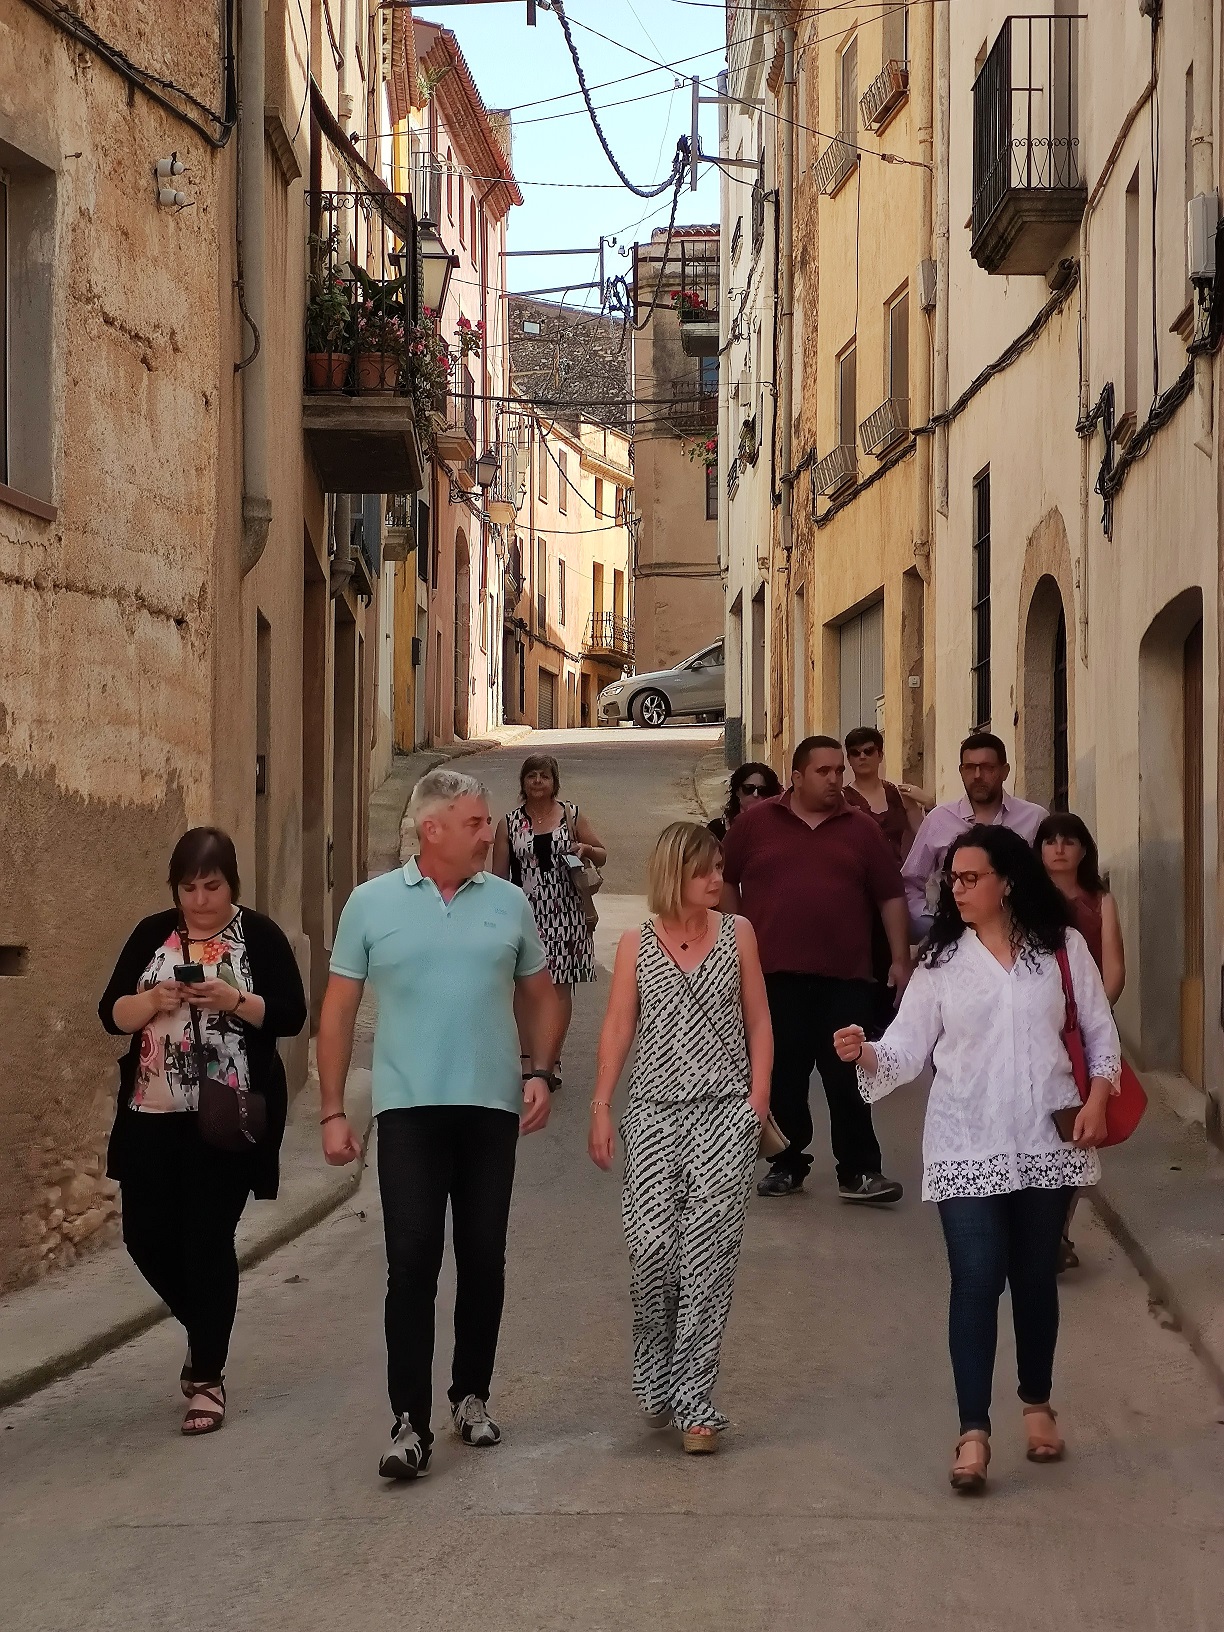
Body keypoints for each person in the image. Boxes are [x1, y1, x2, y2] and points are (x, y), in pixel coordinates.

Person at [833, 825, 1120, 1494]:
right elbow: (904, 1051)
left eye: (970, 879)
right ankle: (972, 1433)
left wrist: (1099, 1099)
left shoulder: (1062, 949)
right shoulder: (938, 966)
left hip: (1046, 1140)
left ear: (1006, 882)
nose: (956, 890)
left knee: (1034, 1279)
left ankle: (1038, 1403)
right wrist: (865, 1050)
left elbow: (1101, 1037)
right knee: (976, 1280)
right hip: (965, 1142)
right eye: (951, 881)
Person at [317, 768, 565, 1482]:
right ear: (433, 830)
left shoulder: (510, 904)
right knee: (413, 1262)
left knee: (484, 1258)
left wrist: (540, 1072)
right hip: (408, 1110)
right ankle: (408, 1422)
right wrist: (335, 1111)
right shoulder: (370, 905)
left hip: (490, 1110)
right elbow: (337, 1013)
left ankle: (471, 1395)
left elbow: (542, 997)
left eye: (487, 822)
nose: (491, 833)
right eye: (477, 823)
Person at [99, 827, 307, 1436]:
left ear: (231, 885)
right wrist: (153, 1000)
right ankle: (204, 1330)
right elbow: (111, 1013)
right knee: (143, 1235)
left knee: (207, 1239)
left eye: (211, 887)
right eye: (188, 888)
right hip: (150, 1115)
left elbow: (291, 1014)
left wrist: (233, 999)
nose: (199, 900)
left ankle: (208, 1378)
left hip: (227, 1116)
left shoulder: (257, 937)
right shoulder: (151, 935)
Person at [589, 823, 773, 1452]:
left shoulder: (738, 934)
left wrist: (756, 1101)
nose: (717, 879)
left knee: (707, 1260)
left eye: (720, 867)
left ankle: (697, 1402)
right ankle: (655, 1375)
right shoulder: (636, 944)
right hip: (653, 1113)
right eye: (705, 871)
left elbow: (760, 1023)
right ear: (675, 876)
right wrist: (600, 1106)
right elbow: (617, 1026)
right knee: (651, 1252)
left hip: (724, 1114)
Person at [721, 735, 912, 1204]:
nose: (835, 779)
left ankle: (860, 1171)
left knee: (847, 1073)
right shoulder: (755, 824)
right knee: (783, 1072)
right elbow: (725, 882)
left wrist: (901, 960)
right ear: (797, 776)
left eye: (839, 771)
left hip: (846, 977)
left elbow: (890, 895)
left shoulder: (861, 828)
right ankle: (786, 1165)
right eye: (824, 771)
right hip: (773, 976)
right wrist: (731, 946)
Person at [1036, 811, 1126, 1271]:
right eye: (1049, 840)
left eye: (1068, 840)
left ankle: (1060, 1233)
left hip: (1085, 1033)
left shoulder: (1101, 901)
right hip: (1035, 1027)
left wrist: (1090, 1016)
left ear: (1083, 849)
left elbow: (1113, 970)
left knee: (1076, 1133)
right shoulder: (1028, 900)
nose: (1058, 848)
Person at [492, 753, 605, 1086]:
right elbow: (498, 877)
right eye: (531, 776)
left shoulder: (571, 816)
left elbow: (603, 854)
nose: (537, 781)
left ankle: (550, 1061)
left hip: (567, 913)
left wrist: (585, 848)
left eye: (543, 776)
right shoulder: (509, 823)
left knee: (558, 989)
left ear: (555, 782)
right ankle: (527, 1059)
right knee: (526, 989)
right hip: (525, 915)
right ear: (523, 783)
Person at [903, 733, 1047, 937]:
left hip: (1021, 936)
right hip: (954, 937)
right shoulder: (939, 820)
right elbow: (910, 880)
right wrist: (928, 922)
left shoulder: (1034, 818)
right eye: (970, 768)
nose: (978, 775)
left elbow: (1048, 880)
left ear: (1005, 771)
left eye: (987, 767)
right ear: (961, 771)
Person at [842, 726, 931, 864]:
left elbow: (925, 840)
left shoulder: (899, 796)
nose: (862, 757)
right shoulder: (842, 799)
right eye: (855, 753)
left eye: (868, 751)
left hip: (896, 878)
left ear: (880, 755)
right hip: (856, 880)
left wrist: (929, 804)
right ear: (849, 759)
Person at [706, 761, 783, 843]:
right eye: (748, 789)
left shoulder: (780, 830)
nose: (755, 794)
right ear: (737, 791)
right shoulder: (717, 830)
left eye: (762, 790)